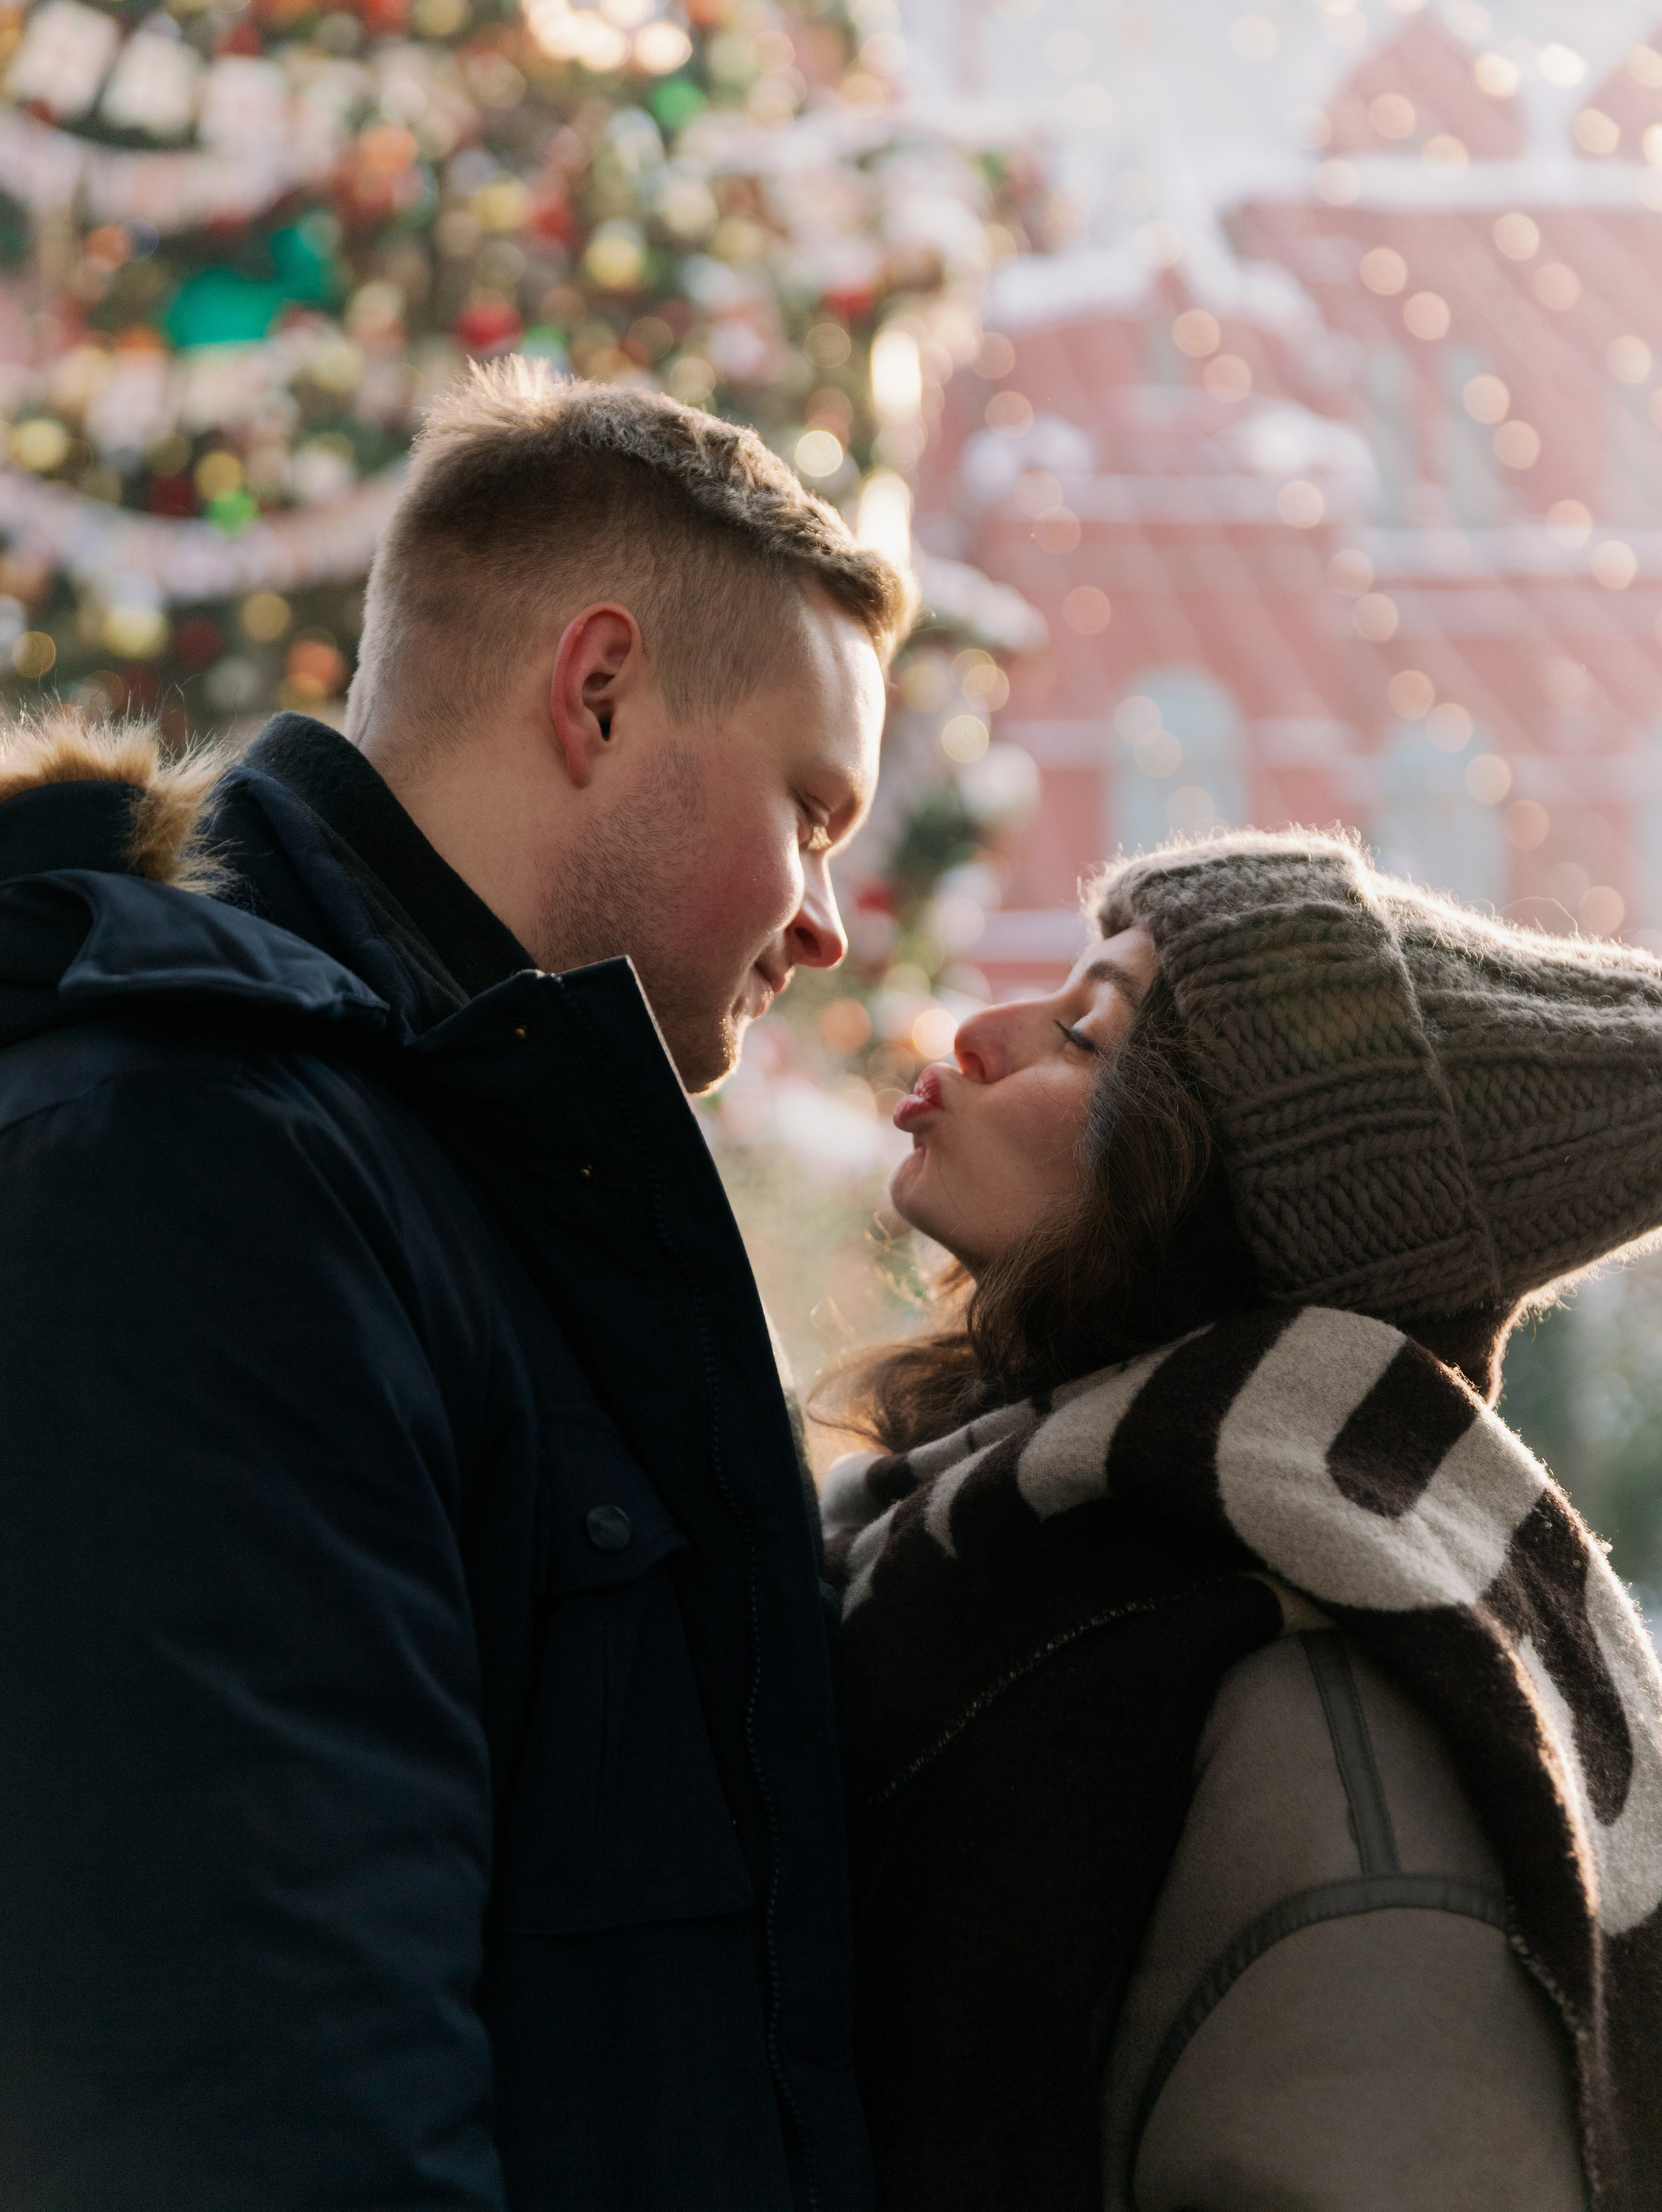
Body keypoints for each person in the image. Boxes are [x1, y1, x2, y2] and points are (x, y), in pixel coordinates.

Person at [0, 364, 910, 2211]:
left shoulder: (457, 1171)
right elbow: (247, 2090)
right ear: (596, 690)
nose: (825, 916)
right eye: (813, 809)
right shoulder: (202, 1158)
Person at [820, 828, 1662, 2212]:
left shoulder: (1316, 1691)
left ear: (1209, 1204)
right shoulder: (997, 1536)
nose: (974, 1034)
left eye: (1084, 1035)